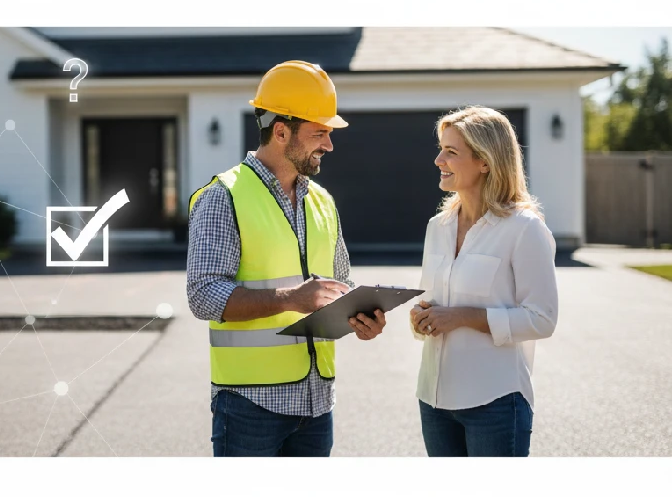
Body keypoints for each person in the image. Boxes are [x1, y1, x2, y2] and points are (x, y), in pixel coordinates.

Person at [186, 60, 387, 457]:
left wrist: (361, 318)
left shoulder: (323, 202)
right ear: (281, 131)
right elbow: (203, 295)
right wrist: (292, 298)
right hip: (249, 406)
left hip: (316, 403)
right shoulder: (222, 196)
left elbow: (338, 286)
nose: (329, 145)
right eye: (319, 133)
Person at [409, 105, 559, 457]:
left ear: (485, 162)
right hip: (433, 400)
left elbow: (542, 318)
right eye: (440, 148)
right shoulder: (438, 227)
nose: (438, 160)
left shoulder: (525, 229)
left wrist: (464, 316)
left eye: (451, 152)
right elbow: (431, 301)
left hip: (494, 403)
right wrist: (421, 318)